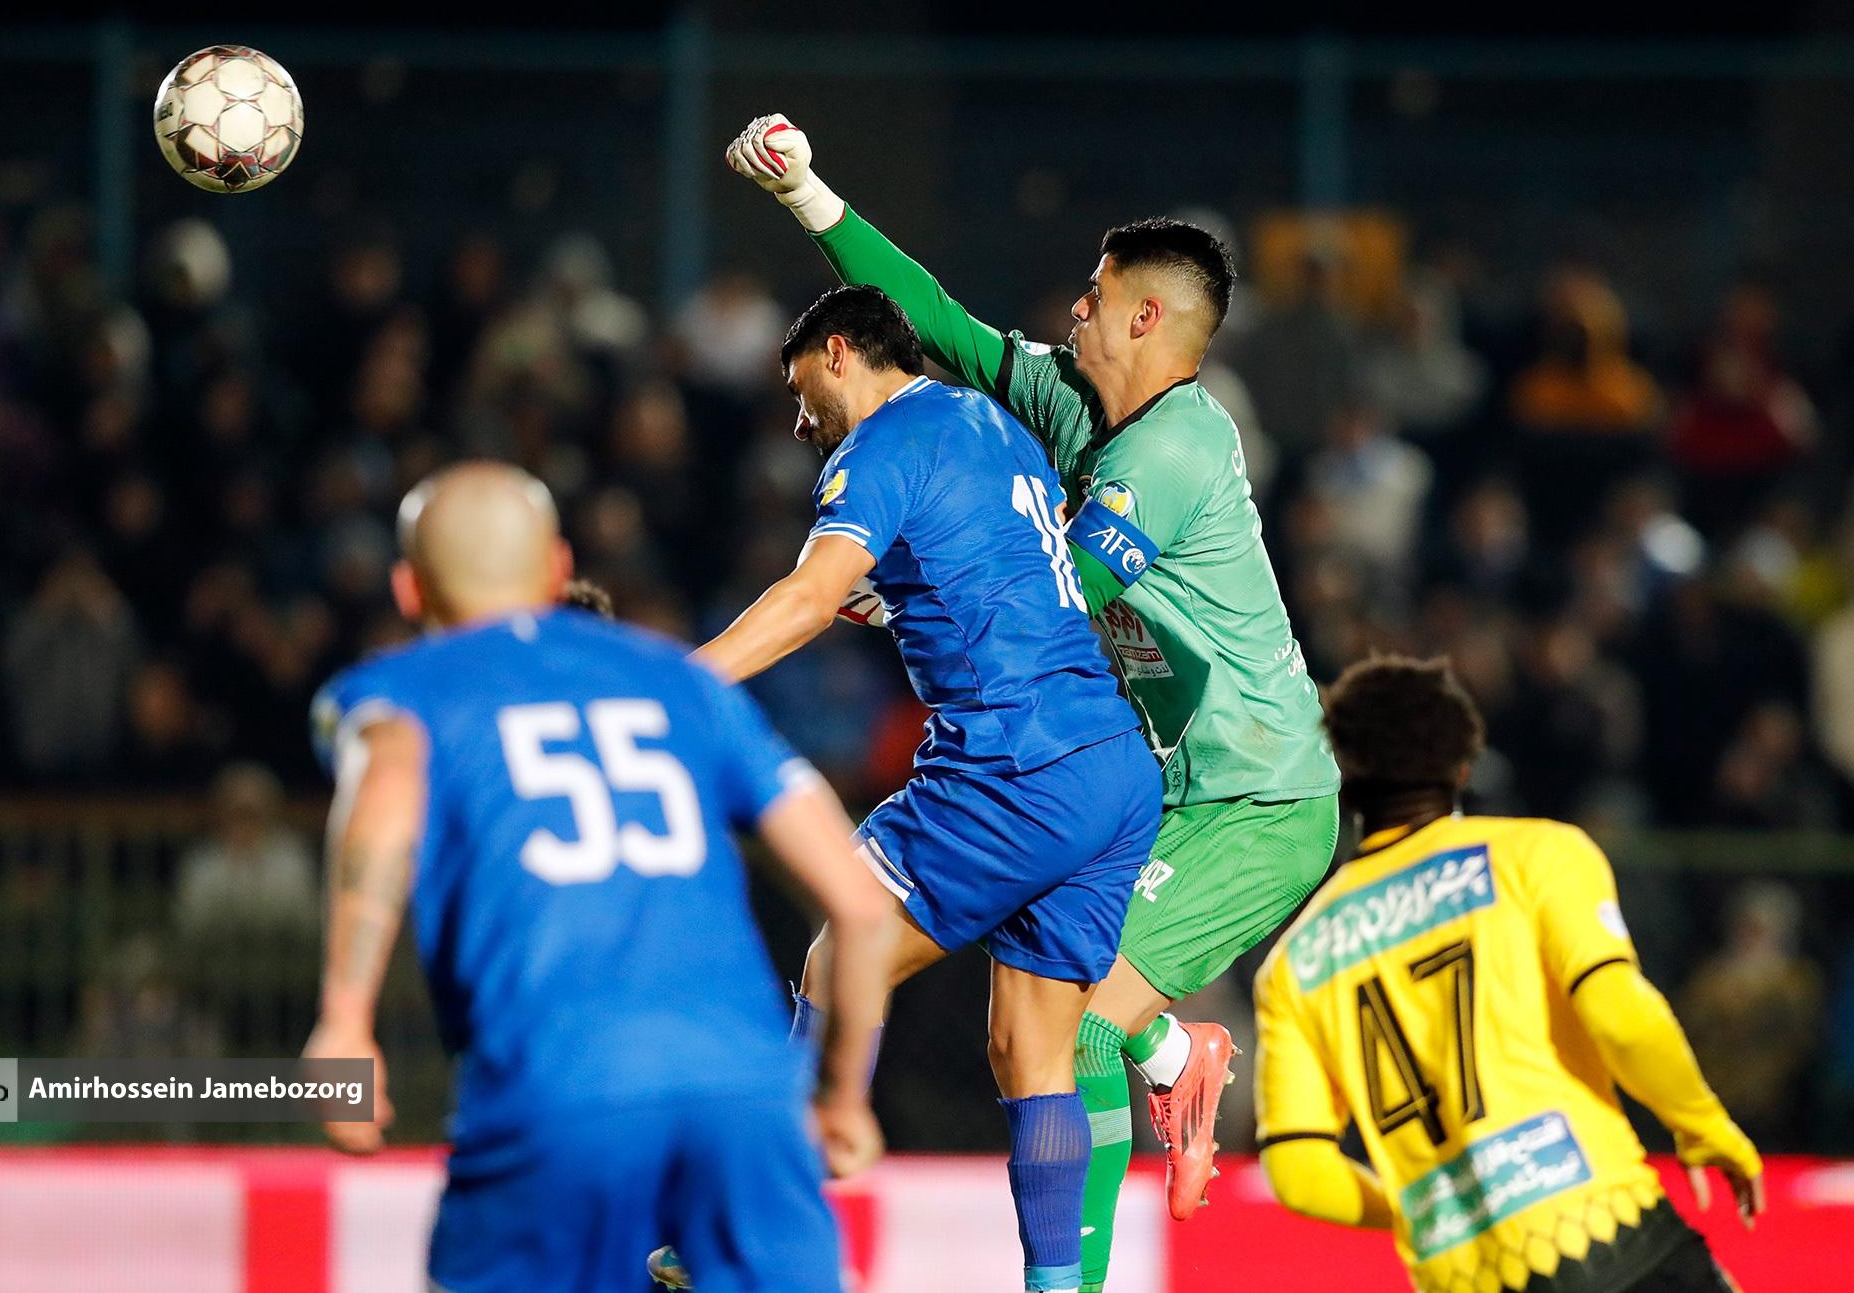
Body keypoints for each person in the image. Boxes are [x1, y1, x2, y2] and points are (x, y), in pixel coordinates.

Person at [728, 114, 1341, 1289]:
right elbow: (935, 323)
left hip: (1254, 798)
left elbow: (1062, 592)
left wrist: (883, 586)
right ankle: (1167, 1066)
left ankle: (1102, 1193)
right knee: (1023, 1043)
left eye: (1094, 296)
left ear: (1146, 320)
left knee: (1079, 1025)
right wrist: (807, 191)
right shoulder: (1070, 403)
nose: (1073, 309)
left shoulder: (1176, 451)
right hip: (1141, 779)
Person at [661, 286, 1160, 1293]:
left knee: (834, 956)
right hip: (1109, 764)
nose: (799, 421)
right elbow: (999, 568)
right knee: (1030, 1051)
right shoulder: (990, 425)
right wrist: (895, 595)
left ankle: (746, 1228)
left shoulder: (879, 445)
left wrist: (671, 687)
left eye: (800, 390)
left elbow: (808, 597)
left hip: (1008, 765)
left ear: (839, 352)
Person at [302, 461, 891, 1293]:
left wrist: (343, 1021)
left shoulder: (402, 691)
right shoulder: (681, 681)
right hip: (745, 1089)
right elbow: (860, 906)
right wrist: (840, 1095)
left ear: (408, 589)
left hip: (558, 1082)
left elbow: (387, 792)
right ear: (557, 567)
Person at [1254, 655, 1763, 1293]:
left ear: (1345, 782)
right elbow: (1621, 1015)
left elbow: (1299, 1172)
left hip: (1460, 1274)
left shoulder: (1293, 963)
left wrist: (1426, 1215)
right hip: (1599, 1230)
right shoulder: (1536, 855)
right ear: (1464, 766)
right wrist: (1702, 1124)